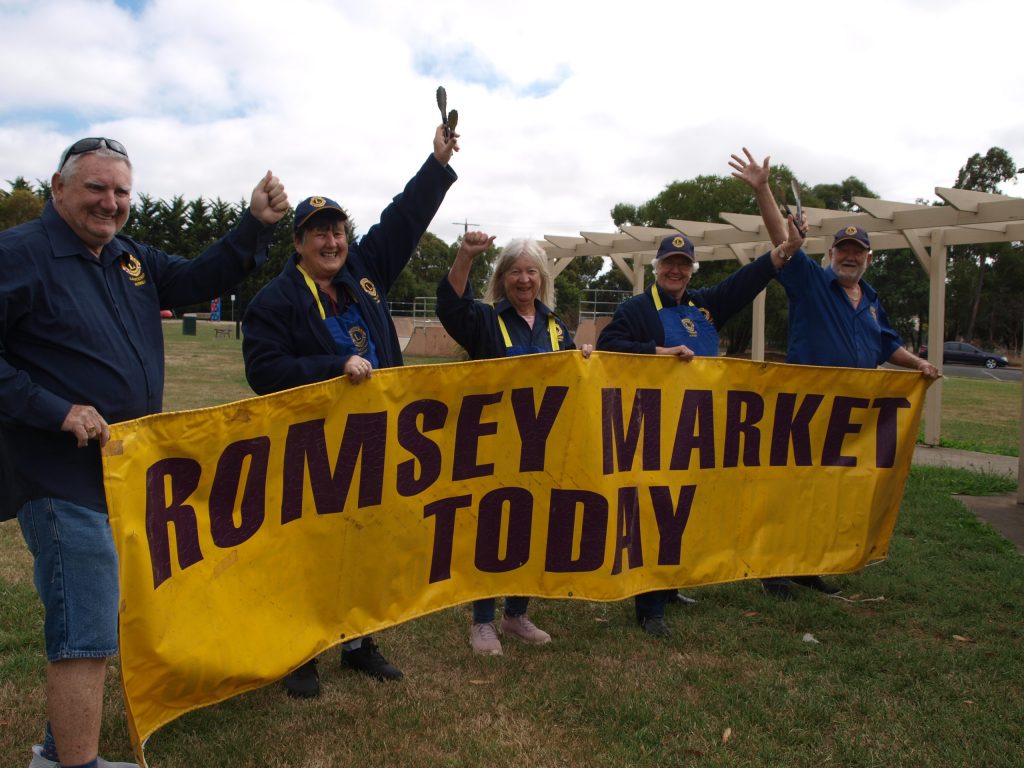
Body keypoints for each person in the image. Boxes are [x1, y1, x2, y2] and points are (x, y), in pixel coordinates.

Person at [0, 137, 288, 768]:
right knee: (86, 631)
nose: (111, 202)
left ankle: (57, 749)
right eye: (96, 188)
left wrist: (253, 225)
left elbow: (197, 278)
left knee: (101, 612)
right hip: (57, 474)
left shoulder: (128, 257)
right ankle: (71, 764)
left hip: (125, 475)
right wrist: (57, 410)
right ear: (57, 188)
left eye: (122, 190)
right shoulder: (19, 254)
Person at [242, 122, 459, 695]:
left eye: (337, 231)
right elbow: (264, 371)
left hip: (378, 438)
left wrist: (435, 164)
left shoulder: (365, 274)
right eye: (318, 234)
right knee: (312, 550)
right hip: (312, 448)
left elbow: (404, 219)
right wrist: (332, 366)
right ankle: (302, 656)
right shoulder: (276, 301)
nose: (332, 242)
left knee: (367, 541)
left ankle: (360, 643)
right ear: (298, 243)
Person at [729, 147, 939, 600]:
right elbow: (782, 241)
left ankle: (808, 565)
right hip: (804, 409)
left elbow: (886, 345)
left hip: (849, 416)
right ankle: (774, 569)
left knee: (825, 491)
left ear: (867, 257)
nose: (849, 257)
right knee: (789, 489)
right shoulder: (809, 280)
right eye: (843, 250)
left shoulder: (873, 299)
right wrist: (764, 188)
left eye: (857, 251)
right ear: (831, 253)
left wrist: (918, 363)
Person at [597, 216, 796, 636]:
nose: (676, 271)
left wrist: (781, 252)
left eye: (683, 264)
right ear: (656, 266)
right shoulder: (635, 309)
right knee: (655, 512)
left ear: (691, 269)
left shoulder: (703, 306)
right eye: (669, 263)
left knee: (684, 508)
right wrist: (656, 351)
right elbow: (607, 348)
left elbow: (745, 283)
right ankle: (649, 608)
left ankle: (669, 586)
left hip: (695, 426)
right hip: (651, 427)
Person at [435, 232, 592, 655]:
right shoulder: (485, 320)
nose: (524, 280)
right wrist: (465, 255)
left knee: (534, 527)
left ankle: (516, 613)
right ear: (502, 278)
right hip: (494, 446)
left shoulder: (556, 326)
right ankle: (482, 622)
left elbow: (572, 376)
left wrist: (585, 358)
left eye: (531, 272)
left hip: (542, 448)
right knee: (492, 529)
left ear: (542, 278)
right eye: (515, 272)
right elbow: (449, 308)